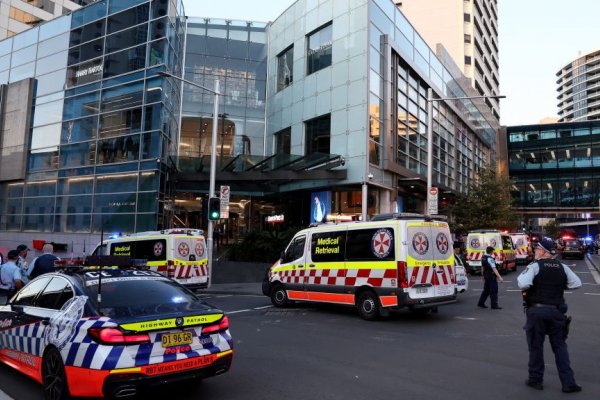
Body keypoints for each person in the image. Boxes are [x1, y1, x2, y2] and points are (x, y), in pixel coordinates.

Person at [517, 237, 582, 393]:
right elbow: (577, 283)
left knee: (536, 347)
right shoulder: (562, 267)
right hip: (556, 312)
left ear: (543, 251)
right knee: (560, 348)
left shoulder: (534, 266)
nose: (535, 252)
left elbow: (523, 283)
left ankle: (536, 380)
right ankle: (568, 383)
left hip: (537, 312)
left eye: (537, 250)